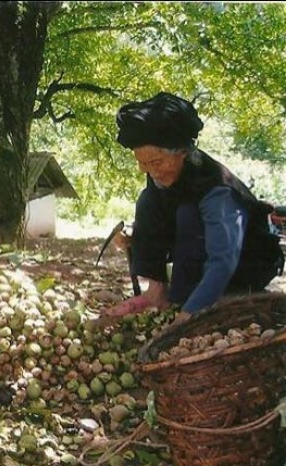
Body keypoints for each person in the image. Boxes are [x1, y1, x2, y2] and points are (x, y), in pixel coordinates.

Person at [105, 92, 284, 323]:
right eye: (142, 163)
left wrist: (188, 315)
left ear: (182, 153)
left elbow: (223, 259)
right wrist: (138, 233)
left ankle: (193, 301)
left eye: (156, 162)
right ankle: (157, 293)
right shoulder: (161, 176)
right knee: (148, 199)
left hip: (247, 263)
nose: (149, 170)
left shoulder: (217, 190)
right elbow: (159, 214)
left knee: (188, 213)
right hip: (198, 255)